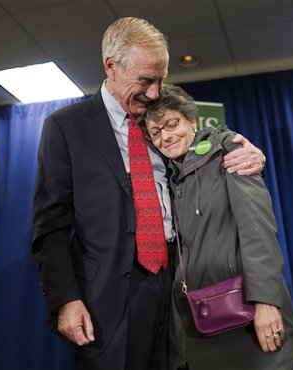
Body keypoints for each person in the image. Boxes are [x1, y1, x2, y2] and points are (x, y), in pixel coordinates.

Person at [32, 17, 266, 370]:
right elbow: (50, 228)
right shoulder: (66, 127)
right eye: (145, 80)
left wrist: (252, 154)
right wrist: (66, 300)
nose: (155, 92)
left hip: (177, 289)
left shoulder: (159, 120)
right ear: (111, 67)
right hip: (105, 301)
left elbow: (208, 149)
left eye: (160, 80)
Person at [139, 83, 293, 369]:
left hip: (248, 312)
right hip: (198, 321)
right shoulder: (162, 178)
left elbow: (257, 229)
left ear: (192, 120)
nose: (165, 136)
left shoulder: (226, 150)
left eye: (172, 123)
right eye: (155, 132)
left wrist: (266, 301)